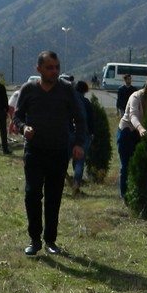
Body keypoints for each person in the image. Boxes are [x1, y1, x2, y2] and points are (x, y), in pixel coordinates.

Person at [13, 51, 88, 256]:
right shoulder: (29, 89)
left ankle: (50, 240)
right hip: (34, 151)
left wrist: (79, 143)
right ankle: (34, 239)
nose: (54, 71)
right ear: (39, 69)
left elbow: (80, 118)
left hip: (58, 151)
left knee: (54, 197)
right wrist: (23, 128)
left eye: (57, 67)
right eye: (49, 68)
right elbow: (17, 117)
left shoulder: (66, 90)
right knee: (32, 194)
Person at [118, 76, 147, 199]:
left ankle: (138, 193)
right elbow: (133, 116)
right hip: (128, 132)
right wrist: (140, 128)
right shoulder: (136, 97)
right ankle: (125, 196)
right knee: (126, 165)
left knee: (141, 165)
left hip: (143, 134)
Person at [71, 80, 93, 192]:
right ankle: (76, 183)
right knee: (80, 160)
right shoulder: (86, 102)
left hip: (69, 133)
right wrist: (92, 133)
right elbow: (91, 120)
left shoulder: (69, 100)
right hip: (83, 134)